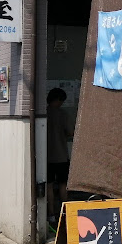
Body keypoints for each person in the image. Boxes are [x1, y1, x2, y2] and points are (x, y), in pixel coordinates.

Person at [46, 87, 73, 225]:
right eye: (61, 100)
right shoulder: (63, 114)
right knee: (63, 185)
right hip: (61, 155)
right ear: (57, 100)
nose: (62, 103)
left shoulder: (43, 113)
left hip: (46, 157)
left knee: (49, 186)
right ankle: (64, 213)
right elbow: (70, 132)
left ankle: (51, 214)